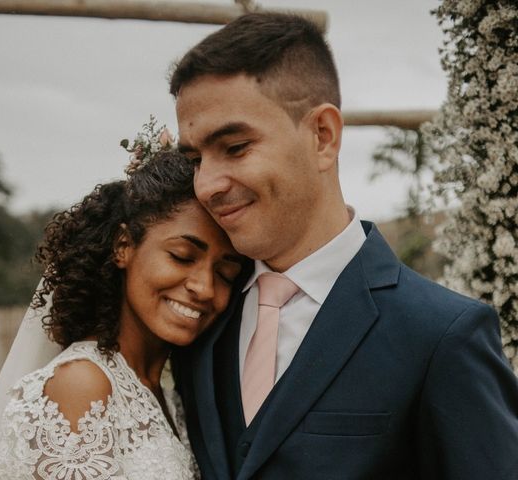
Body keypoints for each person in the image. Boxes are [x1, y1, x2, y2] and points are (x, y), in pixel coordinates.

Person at [168, 12, 518, 480]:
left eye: (234, 147)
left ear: (322, 136)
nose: (206, 185)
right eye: (195, 159)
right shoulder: (199, 318)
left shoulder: (442, 336)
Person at [0, 143, 247, 479]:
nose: (205, 288)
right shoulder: (82, 384)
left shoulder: (168, 397)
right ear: (123, 246)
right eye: (181, 256)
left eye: (225, 274)